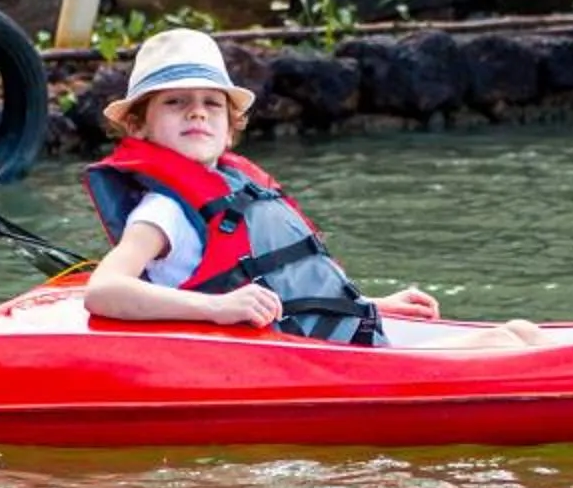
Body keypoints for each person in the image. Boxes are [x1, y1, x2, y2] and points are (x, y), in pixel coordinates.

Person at [81, 28, 543, 350]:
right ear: (140, 127)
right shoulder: (163, 211)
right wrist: (218, 309)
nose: (197, 113)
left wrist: (367, 306)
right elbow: (103, 291)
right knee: (500, 343)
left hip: (310, 337)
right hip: (288, 354)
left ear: (229, 128)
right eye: (175, 102)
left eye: (211, 103)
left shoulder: (233, 186)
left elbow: (288, 290)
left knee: (522, 330)